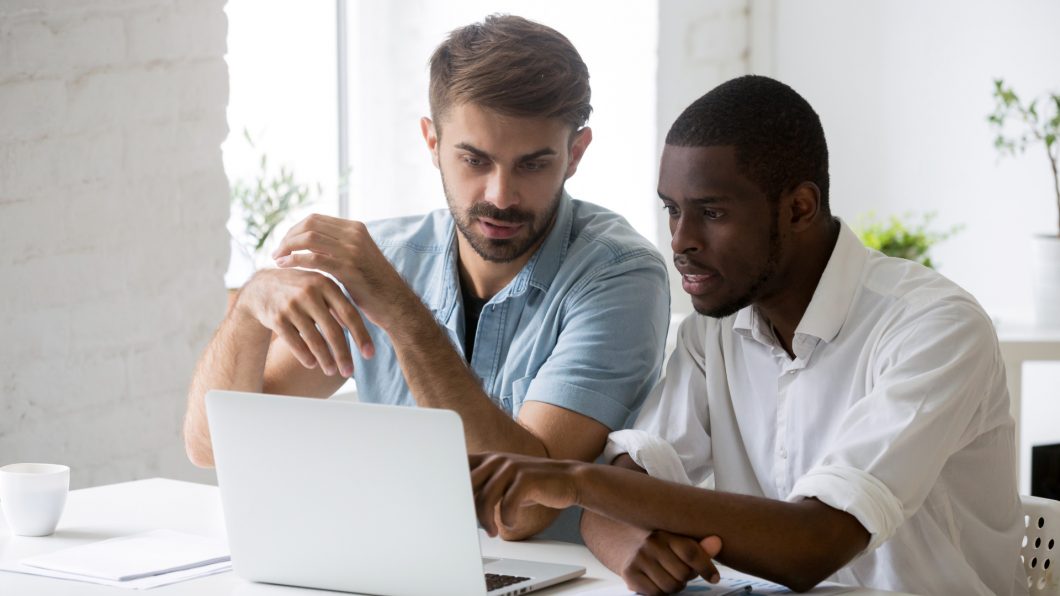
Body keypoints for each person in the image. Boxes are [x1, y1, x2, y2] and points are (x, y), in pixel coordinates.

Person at [469, 75, 1025, 595]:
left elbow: (816, 543)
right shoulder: (713, 329)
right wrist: (631, 539)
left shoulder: (934, 328)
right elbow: (627, 483)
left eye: (711, 212)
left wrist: (576, 481)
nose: (681, 241)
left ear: (799, 208)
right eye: (672, 211)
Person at [183, 14, 669, 542]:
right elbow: (211, 448)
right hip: (406, 561)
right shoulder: (386, 257)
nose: (501, 195)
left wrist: (397, 307)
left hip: (566, 578)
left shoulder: (619, 276)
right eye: (474, 159)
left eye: (532, 164)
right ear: (431, 142)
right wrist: (252, 307)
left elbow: (523, 511)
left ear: (575, 153)